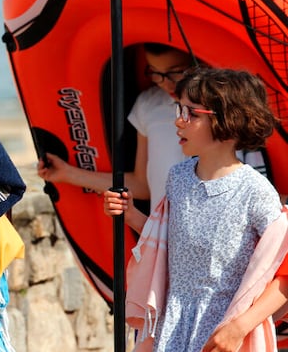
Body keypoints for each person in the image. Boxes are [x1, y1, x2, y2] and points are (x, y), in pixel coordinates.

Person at [104, 67, 287, 351]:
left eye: (191, 113)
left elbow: (284, 272)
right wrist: (128, 214)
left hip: (224, 332)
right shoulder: (178, 177)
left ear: (229, 122)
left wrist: (239, 328)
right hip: (170, 326)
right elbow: (170, 243)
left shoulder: (256, 192)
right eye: (179, 108)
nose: (178, 121)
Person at [38, 42, 195, 207]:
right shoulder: (148, 105)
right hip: (163, 230)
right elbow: (143, 186)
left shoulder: (217, 106)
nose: (166, 83)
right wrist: (68, 174)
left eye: (176, 72)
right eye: (155, 73)